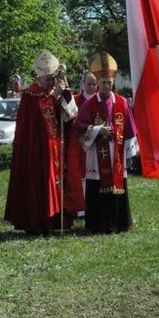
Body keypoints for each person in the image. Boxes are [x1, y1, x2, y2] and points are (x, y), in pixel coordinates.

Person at [5, 50, 78, 234]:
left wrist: (65, 91)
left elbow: (69, 116)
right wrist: (55, 97)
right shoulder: (31, 94)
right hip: (37, 150)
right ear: (40, 78)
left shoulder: (56, 90)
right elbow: (37, 119)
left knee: (58, 181)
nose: (52, 83)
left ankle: (57, 218)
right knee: (41, 183)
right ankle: (38, 221)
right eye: (49, 80)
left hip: (56, 146)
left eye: (54, 79)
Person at [76, 52, 139, 233]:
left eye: (109, 82)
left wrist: (129, 155)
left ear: (113, 82)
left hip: (117, 151)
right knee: (97, 187)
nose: (106, 85)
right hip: (97, 152)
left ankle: (119, 223)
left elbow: (129, 128)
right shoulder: (89, 104)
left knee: (118, 186)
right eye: (103, 82)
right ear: (98, 84)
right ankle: (98, 224)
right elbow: (80, 127)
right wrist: (98, 130)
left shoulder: (122, 102)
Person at [65, 71, 97, 217]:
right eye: (89, 84)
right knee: (81, 174)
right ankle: (80, 208)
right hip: (79, 142)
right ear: (83, 84)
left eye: (94, 84)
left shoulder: (99, 100)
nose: (92, 87)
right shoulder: (76, 100)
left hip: (96, 144)